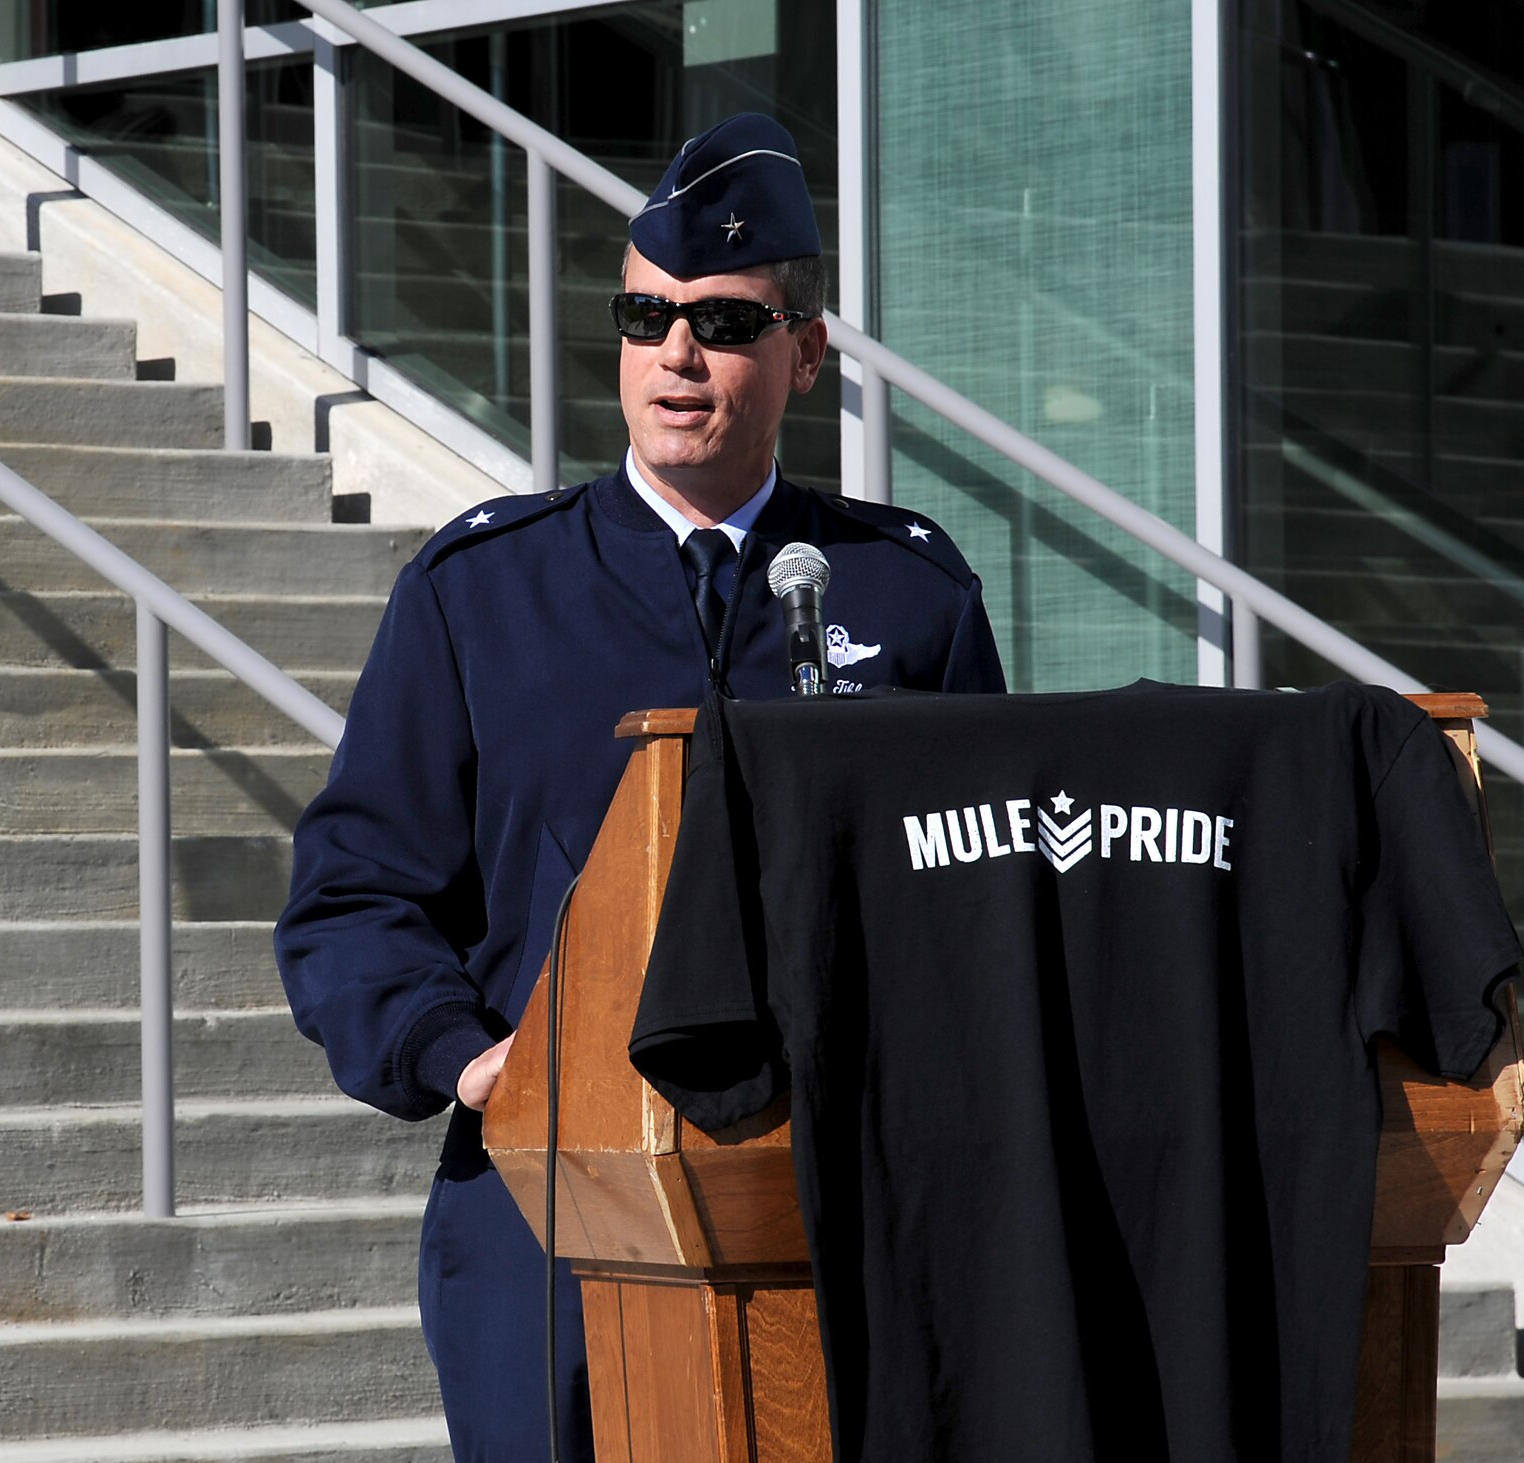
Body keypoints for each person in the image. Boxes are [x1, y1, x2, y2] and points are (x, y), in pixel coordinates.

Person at [276, 112, 1007, 1462]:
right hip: (556, 1205)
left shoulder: (906, 590)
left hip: (833, 1200)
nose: (676, 356)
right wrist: (470, 1059)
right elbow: (354, 896)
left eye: (723, 325)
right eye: (644, 316)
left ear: (804, 351)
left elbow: (988, 898)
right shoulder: (485, 590)